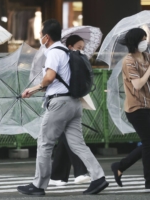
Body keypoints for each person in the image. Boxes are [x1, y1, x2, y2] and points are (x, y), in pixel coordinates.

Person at [17, 19, 109, 196]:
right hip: (74, 103)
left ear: (46, 37)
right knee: (78, 144)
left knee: (44, 143)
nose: (40, 38)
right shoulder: (67, 51)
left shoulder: (53, 53)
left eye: (41, 35)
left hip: (59, 104)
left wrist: (33, 88)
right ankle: (98, 177)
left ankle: (38, 185)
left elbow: (50, 77)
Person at [49, 35, 90, 186]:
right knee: (70, 137)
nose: (81, 51)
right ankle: (80, 172)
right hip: (61, 101)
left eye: (83, 48)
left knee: (65, 138)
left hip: (70, 100)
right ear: (70, 46)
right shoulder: (62, 58)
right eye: (79, 48)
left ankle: (56, 176)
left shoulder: (73, 59)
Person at [121, 27, 150, 189]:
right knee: (148, 143)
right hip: (135, 107)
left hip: (148, 104)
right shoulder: (129, 60)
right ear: (135, 41)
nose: (146, 42)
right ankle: (148, 182)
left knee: (148, 142)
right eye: (143, 39)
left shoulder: (147, 57)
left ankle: (120, 166)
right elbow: (138, 84)